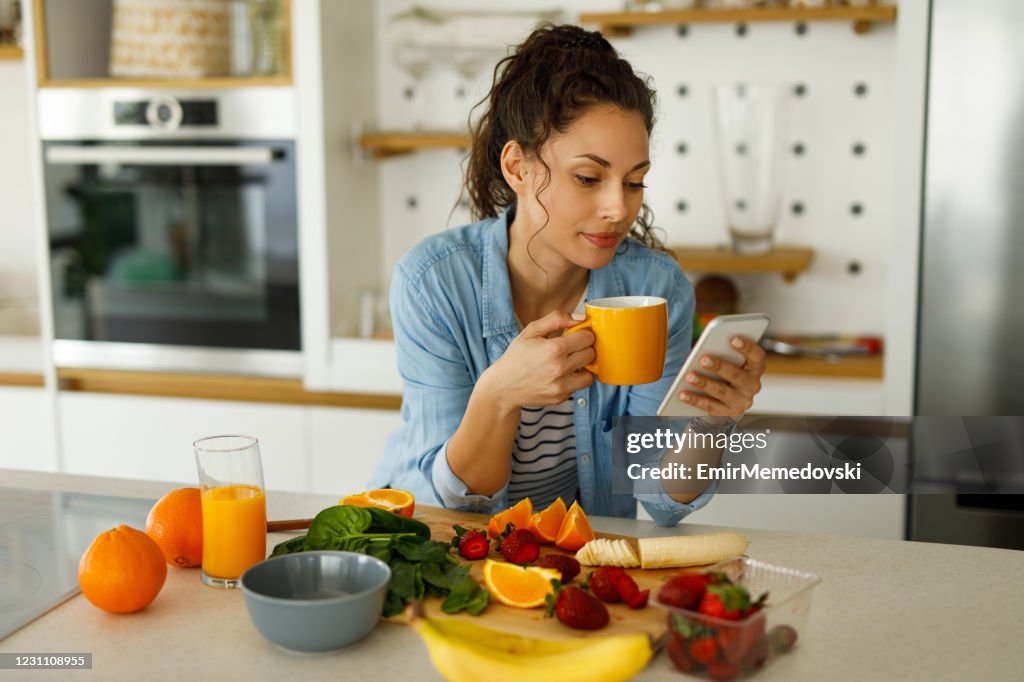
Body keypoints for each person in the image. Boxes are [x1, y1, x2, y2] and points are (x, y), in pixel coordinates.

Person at [369, 24, 766, 526]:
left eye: (634, 181)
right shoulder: (433, 283)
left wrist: (713, 422)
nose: (617, 208)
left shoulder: (657, 291)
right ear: (517, 167)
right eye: (588, 178)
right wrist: (499, 393)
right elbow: (454, 507)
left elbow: (660, 497)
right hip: (429, 542)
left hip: (574, 563)